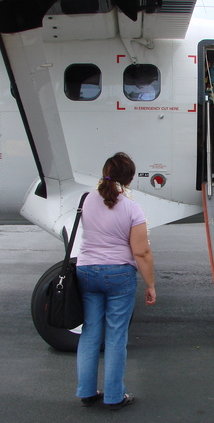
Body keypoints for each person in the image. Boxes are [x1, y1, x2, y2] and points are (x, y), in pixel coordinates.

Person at [75, 152, 156, 409]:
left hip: (86, 271)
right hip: (119, 274)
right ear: (129, 179)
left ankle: (87, 392)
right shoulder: (132, 208)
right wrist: (150, 284)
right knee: (116, 335)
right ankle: (113, 396)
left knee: (90, 333)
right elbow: (141, 252)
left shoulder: (86, 199)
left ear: (105, 173)